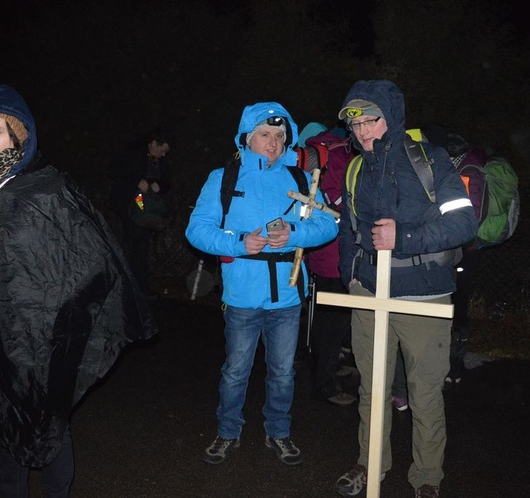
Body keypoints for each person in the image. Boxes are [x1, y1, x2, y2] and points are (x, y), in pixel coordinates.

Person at [0, 84, 157, 496]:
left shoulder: (50, 191)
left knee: (46, 425)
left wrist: (57, 316)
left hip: (38, 338)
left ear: (20, 135)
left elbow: (91, 262)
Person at [333, 80, 476, 498]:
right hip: (368, 294)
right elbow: (348, 229)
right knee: (371, 388)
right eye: (355, 124)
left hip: (424, 296)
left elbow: (464, 222)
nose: (362, 132)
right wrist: (351, 275)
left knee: (425, 394)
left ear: (391, 116)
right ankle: (369, 464)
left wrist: (406, 237)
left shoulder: (430, 160)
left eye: (371, 120)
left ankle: (427, 479)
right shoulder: (356, 168)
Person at [186, 102, 338, 466]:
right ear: (247, 138)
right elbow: (197, 230)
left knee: (283, 373)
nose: (273, 143)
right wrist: (238, 243)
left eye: (280, 136)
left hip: (287, 296)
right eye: (265, 135)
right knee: (236, 370)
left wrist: (295, 233)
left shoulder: (301, 179)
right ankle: (227, 432)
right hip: (242, 294)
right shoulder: (222, 178)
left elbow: (329, 224)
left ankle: (279, 432)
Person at [298, 124, 358, 406]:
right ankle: (324, 382)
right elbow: (335, 200)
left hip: (322, 251)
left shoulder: (319, 153)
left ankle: (324, 366)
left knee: (325, 318)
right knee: (333, 321)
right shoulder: (336, 155)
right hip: (335, 253)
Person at [108, 128, 174, 299]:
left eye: (165, 152)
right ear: (153, 143)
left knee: (142, 248)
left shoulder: (159, 160)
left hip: (148, 209)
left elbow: (167, 181)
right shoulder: (132, 152)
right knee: (133, 246)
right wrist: (136, 182)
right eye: (161, 150)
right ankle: (130, 288)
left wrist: (159, 186)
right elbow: (114, 171)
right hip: (130, 205)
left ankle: (141, 288)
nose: (163, 155)